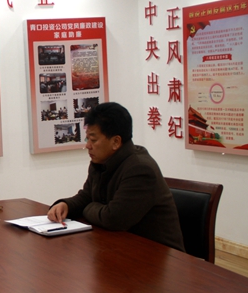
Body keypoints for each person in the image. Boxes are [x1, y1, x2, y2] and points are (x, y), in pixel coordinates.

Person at [47, 102, 185, 251]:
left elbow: (113, 219)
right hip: (121, 246)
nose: (88, 146)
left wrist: (87, 208)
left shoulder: (140, 169)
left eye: (93, 140)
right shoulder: (101, 162)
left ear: (116, 142)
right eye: (87, 139)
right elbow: (87, 195)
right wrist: (66, 205)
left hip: (159, 255)